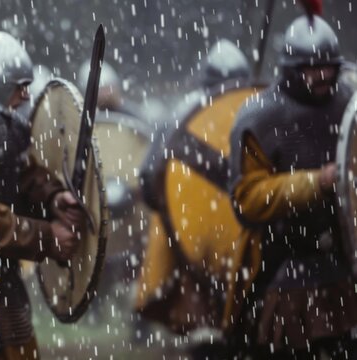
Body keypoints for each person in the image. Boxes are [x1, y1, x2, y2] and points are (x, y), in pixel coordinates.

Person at [228, 15, 357, 359]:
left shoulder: (349, 102)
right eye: (312, 68)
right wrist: (316, 182)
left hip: (343, 259)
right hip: (283, 263)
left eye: (329, 67)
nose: (324, 76)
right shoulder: (260, 117)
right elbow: (247, 199)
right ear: (290, 70)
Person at [0, 31, 83, 360]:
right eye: (20, 87)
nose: (26, 97)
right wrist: (47, 237)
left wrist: (53, 197)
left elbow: (21, 169)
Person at [135, 38, 251, 358]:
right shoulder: (258, 105)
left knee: (208, 334)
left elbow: (149, 182)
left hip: (196, 245)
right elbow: (150, 182)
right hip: (246, 248)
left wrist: (180, 213)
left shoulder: (182, 114)